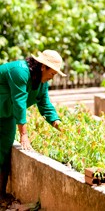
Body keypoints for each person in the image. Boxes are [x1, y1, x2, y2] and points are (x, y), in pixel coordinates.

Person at [0, 49, 66, 201]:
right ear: (43, 67)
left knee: (3, 152)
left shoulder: (42, 84)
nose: (52, 78)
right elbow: (19, 103)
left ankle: (1, 194)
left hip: (6, 116)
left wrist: (61, 127)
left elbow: (45, 104)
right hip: (6, 110)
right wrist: (24, 134)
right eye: (52, 73)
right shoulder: (19, 71)